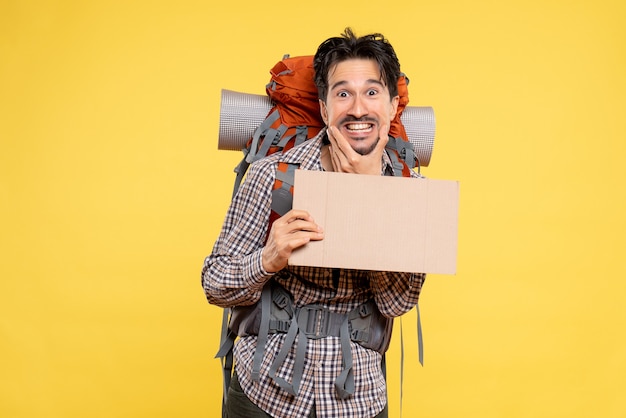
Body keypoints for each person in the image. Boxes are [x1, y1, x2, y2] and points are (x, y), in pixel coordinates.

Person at [202, 27, 426, 418]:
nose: (358, 108)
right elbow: (214, 283)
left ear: (391, 106)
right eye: (343, 93)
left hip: (357, 400)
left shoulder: (412, 191)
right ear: (325, 108)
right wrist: (267, 259)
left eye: (372, 92)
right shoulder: (272, 174)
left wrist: (370, 198)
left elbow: (396, 302)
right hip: (264, 393)